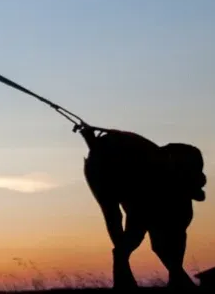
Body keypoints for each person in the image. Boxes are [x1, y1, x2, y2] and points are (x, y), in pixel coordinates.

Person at [76, 124, 207, 289]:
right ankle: (134, 272)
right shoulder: (151, 185)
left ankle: (172, 275)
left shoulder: (171, 174)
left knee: (128, 227)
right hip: (123, 173)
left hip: (133, 174)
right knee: (125, 224)